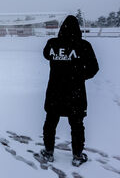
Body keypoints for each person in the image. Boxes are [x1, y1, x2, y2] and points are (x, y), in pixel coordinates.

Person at [40, 15, 99, 167]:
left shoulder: (52, 43)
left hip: (55, 92)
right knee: (77, 125)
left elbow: (46, 54)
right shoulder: (84, 45)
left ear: (62, 28)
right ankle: (77, 156)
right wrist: (79, 77)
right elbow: (94, 68)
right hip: (75, 93)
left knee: (50, 122)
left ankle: (48, 152)